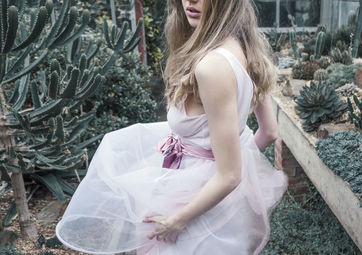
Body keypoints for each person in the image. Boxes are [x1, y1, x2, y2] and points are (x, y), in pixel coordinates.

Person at [55, 0, 288, 254]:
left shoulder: (212, 67)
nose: (191, 1)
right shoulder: (246, 50)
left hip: (195, 206)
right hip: (215, 201)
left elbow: (230, 175)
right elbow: (269, 131)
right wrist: (229, 173)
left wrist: (178, 220)